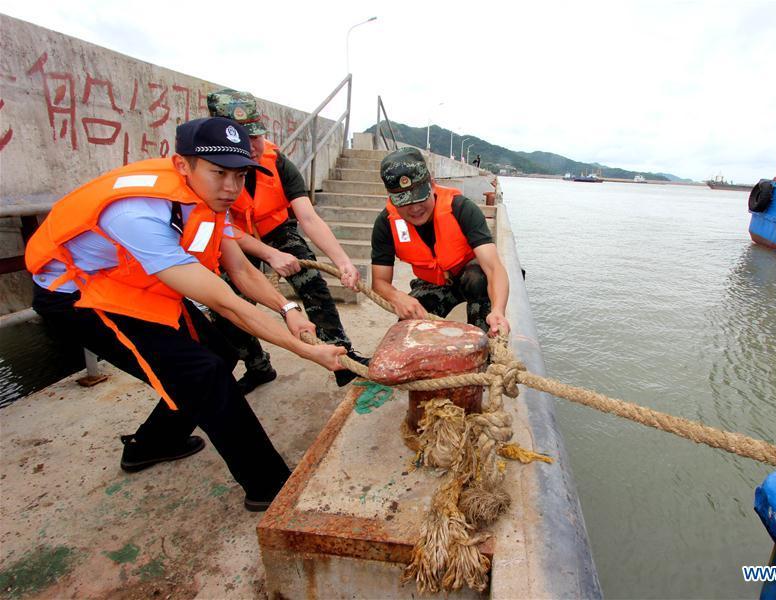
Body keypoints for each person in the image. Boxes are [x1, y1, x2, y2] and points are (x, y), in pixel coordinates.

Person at [26, 117, 346, 511]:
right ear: (183, 166)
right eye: (219, 173)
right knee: (203, 372)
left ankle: (153, 444)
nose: (231, 187)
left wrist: (288, 308)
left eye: (240, 175)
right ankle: (270, 487)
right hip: (79, 296)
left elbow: (242, 271)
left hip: (132, 281)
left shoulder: (209, 198)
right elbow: (227, 302)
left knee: (224, 353)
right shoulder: (139, 214)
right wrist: (308, 352)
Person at [206, 89, 366, 392]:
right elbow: (222, 228)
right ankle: (258, 366)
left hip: (276, 229)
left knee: (312, 281)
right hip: (233, 239)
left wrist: (343, 261)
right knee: (230, 306)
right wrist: (267, 254)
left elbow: (308, 217)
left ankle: (342, 356)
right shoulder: (207, 171)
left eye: (255, 135)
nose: (253, 146)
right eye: (243, 138)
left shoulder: (277, 162)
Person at [370, 147, 510, 336]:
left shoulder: (461, 208)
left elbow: (494, 268)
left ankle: (485, 339)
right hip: (432, 281)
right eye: (404, 202)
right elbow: (379, 281)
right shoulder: (385, 224)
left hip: (470, 278)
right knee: (409, 325)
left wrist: (498, 310)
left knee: (478, 279)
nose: (415, 209)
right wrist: (396, 297)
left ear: (432, 185)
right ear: (392, 199)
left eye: (420, 198)